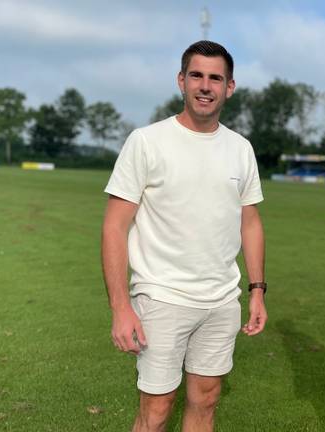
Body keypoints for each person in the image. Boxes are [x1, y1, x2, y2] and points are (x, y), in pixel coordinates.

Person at [101, 40, 267, 432]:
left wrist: (256, 289)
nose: (205, 86)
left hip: (222, 300)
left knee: (206, 401)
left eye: (215, 78)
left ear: (230, 87)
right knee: (156, 410)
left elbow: (251, 222)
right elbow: (114, 226)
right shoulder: (146, 141)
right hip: (161, 297)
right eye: (197, 75)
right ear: (181, 81)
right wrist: (120, 307)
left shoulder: (241, 149)